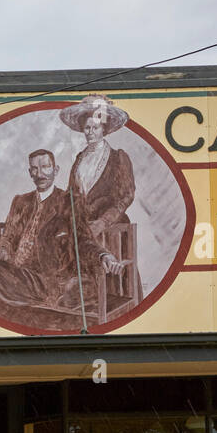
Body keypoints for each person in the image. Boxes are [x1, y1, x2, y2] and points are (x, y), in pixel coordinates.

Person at [0, 148, 115, 325]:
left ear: (56, 170)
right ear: (30, 173)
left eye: (45, 167)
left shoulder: (69, 202)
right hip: (13, 275)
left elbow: (84, 240)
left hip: (43, 282)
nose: (40, 173)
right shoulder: (21, 201)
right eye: (34, 169)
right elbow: (9, 239)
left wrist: (103, 255)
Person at [60, 94, 140, 302]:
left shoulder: (118, 157)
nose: (90, 132)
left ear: (104, 129)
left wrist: (102, 222)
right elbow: (70, 195)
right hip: (84, 227)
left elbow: (126, 196)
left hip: (112, 227)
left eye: (95, 127)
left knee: (112, 284)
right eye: (87, 128)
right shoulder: (80, 159)